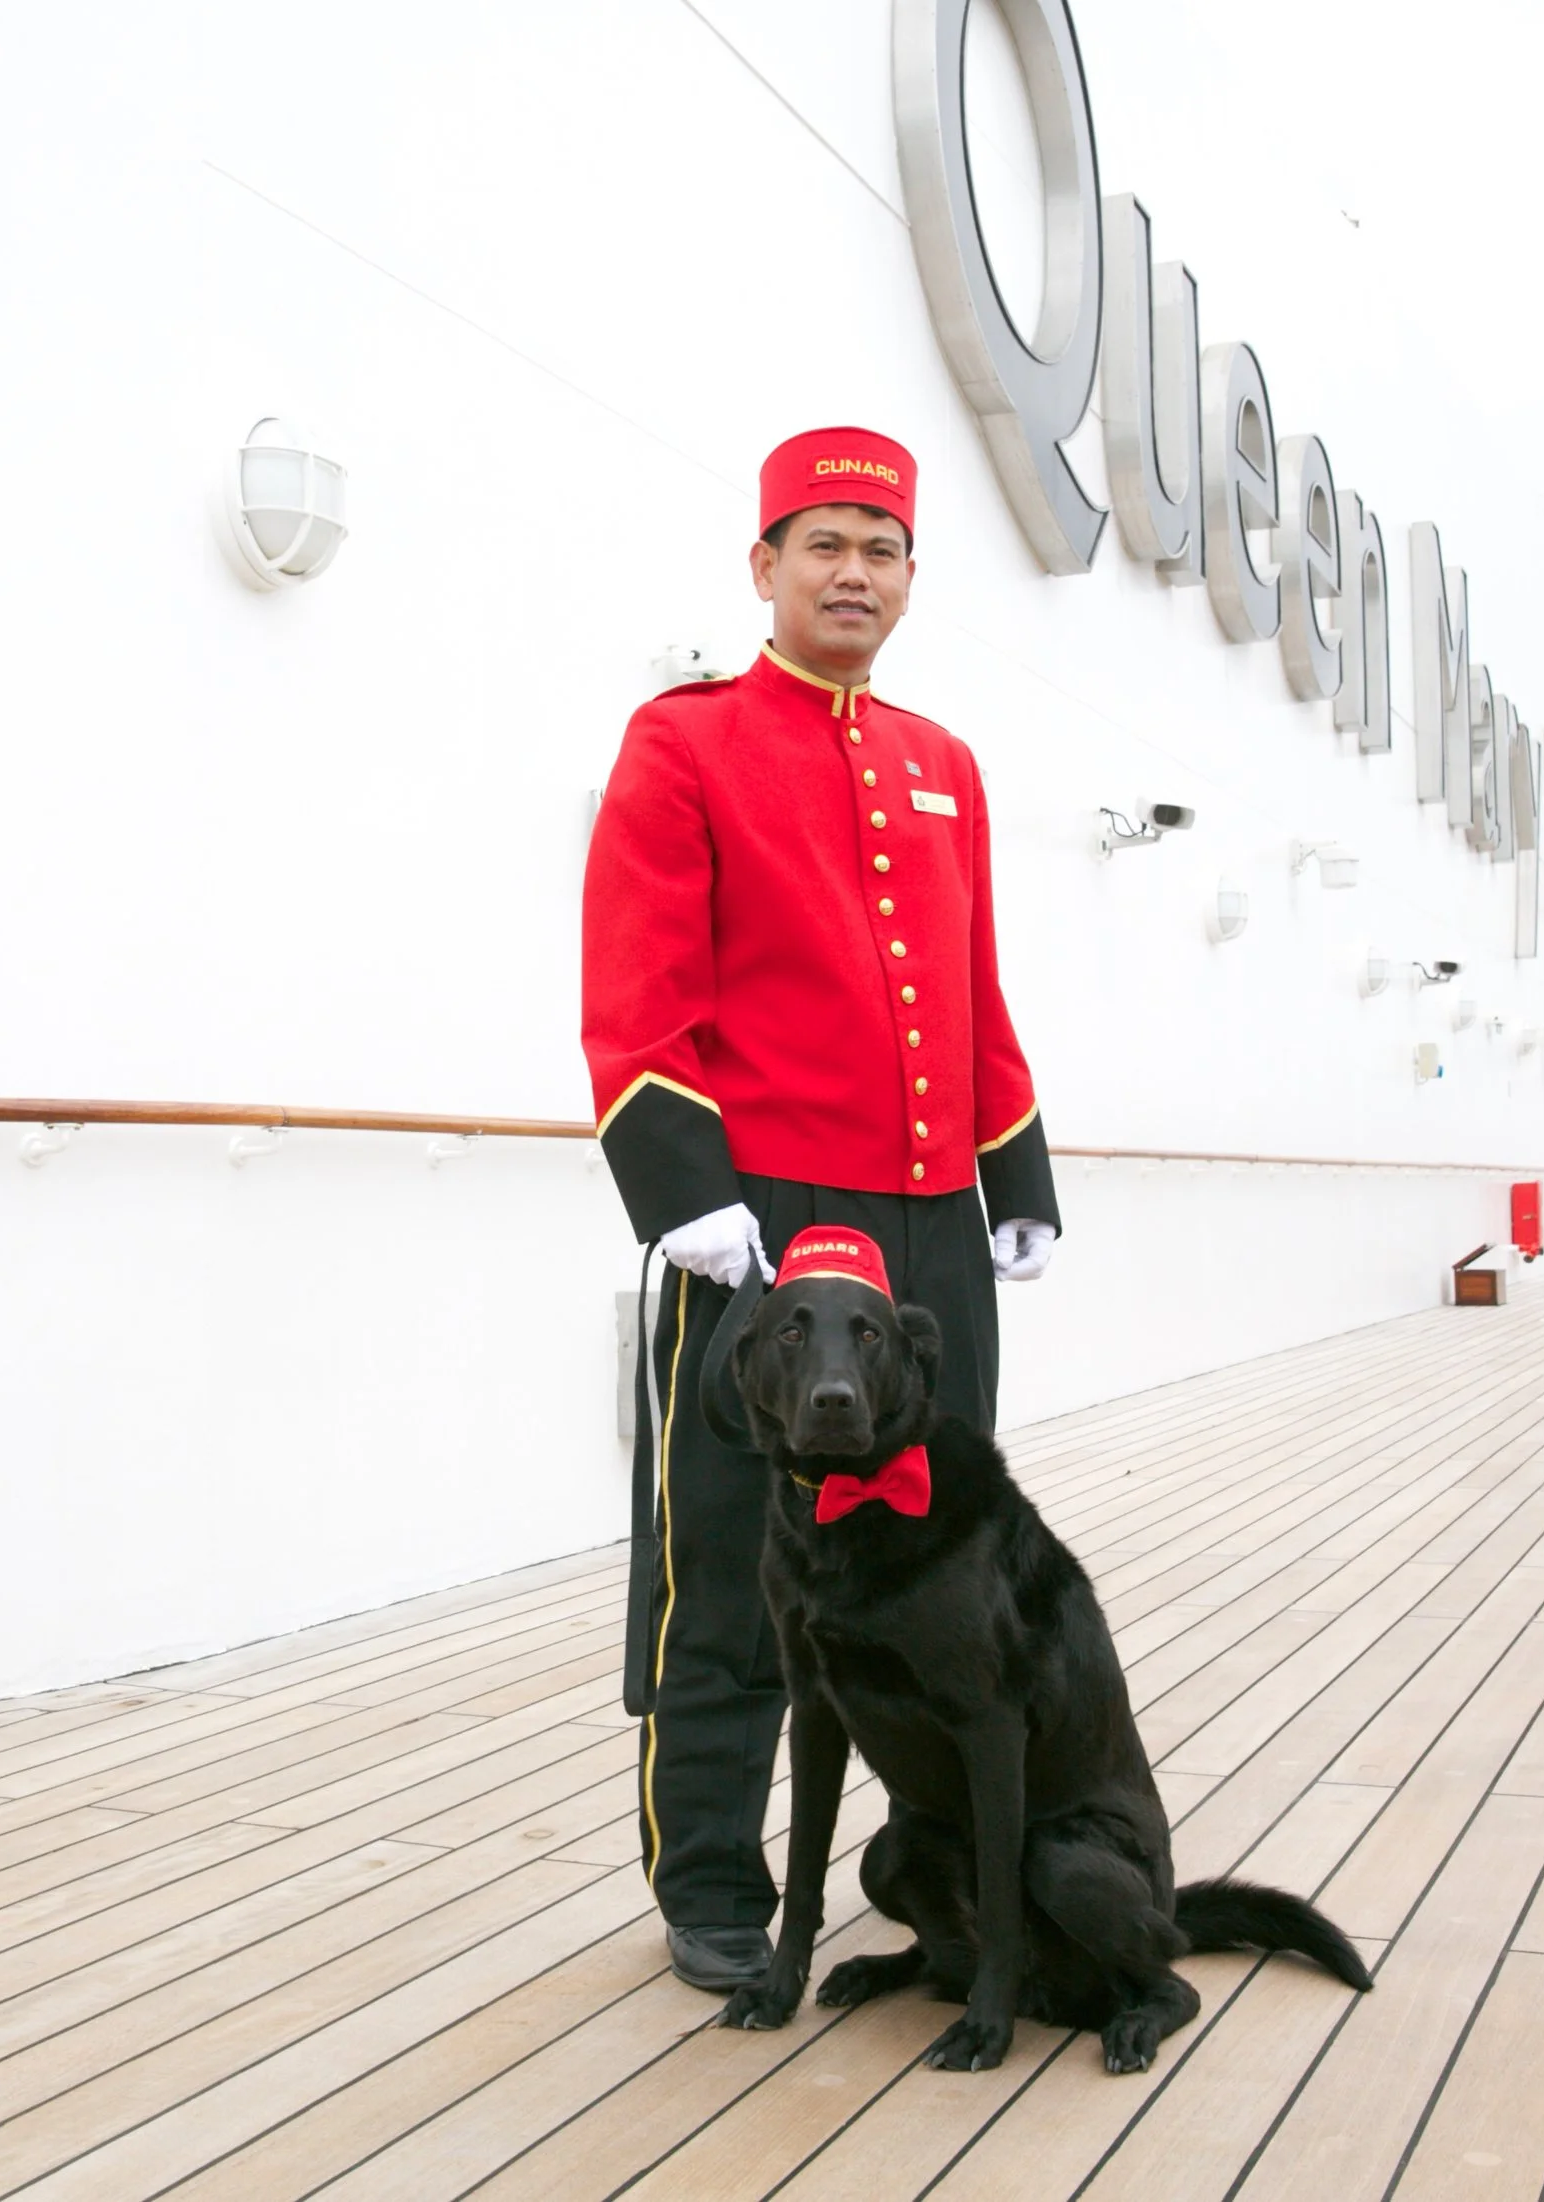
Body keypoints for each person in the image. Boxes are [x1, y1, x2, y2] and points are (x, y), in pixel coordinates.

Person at [580, 426, 1061, 1990]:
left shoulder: (946, 765)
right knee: (728, 1567)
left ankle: (952, 1869)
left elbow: (974, 988)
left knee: (945, 1565)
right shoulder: (686, 740)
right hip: (761, 1225)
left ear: (912, 575)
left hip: (931, 1227)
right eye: (823, 543)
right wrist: (686, 1196)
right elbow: (637, 986)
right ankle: (715, 1877)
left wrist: (1016, 1169)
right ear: (766, 567)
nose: (853, 570)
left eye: (881, 545)